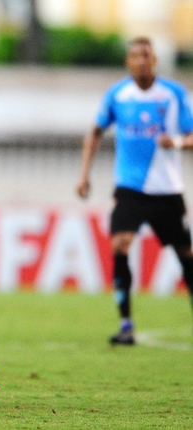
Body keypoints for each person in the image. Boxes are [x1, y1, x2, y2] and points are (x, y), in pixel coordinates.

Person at [77, 36, 193, 345]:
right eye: (135, 56)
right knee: (119, 245)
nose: (141, 60)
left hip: (167, 190)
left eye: (146, 55)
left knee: (186, 254)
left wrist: (178, 142)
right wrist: (84, 175)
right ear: (128, 62)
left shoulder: (173, 94)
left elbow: (191, 134)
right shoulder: (118, 94)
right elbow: (95, 132)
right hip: (129, 188)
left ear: (154, 59)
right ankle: (126, 324)